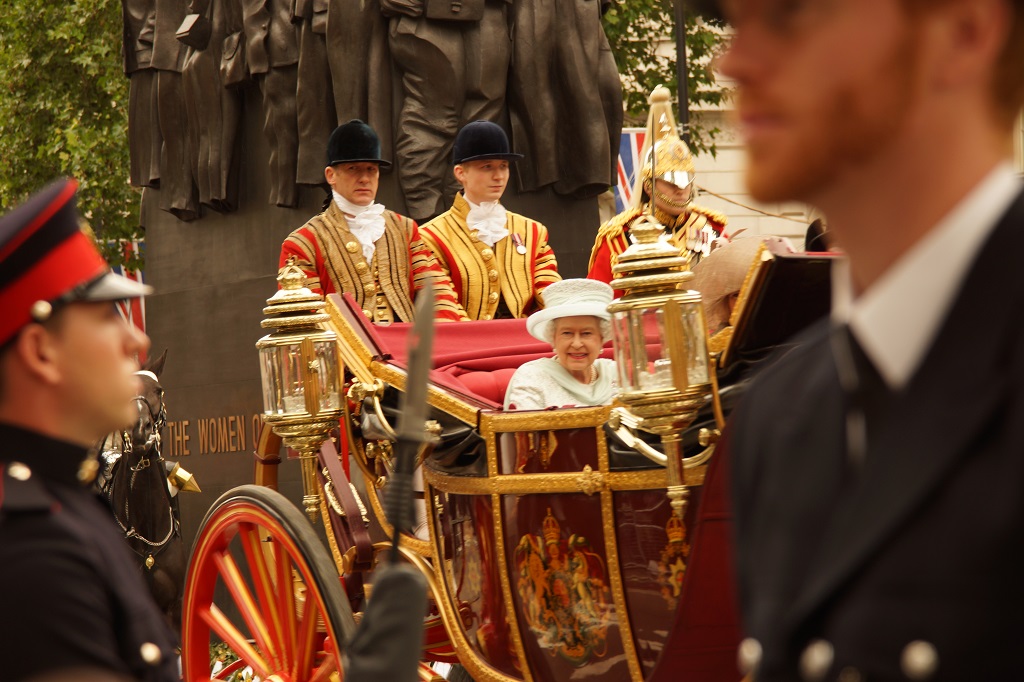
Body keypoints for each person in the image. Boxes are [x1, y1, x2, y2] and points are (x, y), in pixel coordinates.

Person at [719, 0, 1024, 680]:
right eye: (734, 22)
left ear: (964, 33)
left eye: (788, 15)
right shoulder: (779, 414)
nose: (732, 62)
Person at [0, 179, 179, 681]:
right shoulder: (33, 553)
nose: (136, 337)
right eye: (106, 315)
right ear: (41, 351)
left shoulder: (65, 501)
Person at [280, 119, 467, 323]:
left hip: (408, 350)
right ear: (331, 175)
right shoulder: (302, 243)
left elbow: (436, 293)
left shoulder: (405, 229)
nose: (365, 178)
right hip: (344, 352)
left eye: (371, 169)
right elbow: (307, 319)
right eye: (354, 169)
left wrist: (436, 343)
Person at [588, 87, 728, 296]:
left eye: (685, 181)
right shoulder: (619, 237)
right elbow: (599, 298)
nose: (680, 189)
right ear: (648, 186)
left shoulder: (713, 228)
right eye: (671, 183)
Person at [419, 121, 561, 321]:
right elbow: (443, 308)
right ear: (461, 173)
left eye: (503, 166)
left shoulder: (533, 231)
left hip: (525, 340)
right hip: (469, 344)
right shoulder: (431, 237)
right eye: (487, 167)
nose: (499, 176)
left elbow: (552, 295)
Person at [504, 279, 616, 410]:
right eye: (567, 333)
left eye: (586, 333)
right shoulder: (533, 376)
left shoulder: (614, 373)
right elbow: (524, 428)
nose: (577, 344)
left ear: (602, 338)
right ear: (553, 338)